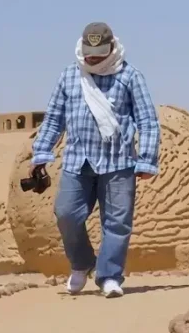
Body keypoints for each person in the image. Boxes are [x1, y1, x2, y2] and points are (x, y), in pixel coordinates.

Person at [29, 22, 161, 298]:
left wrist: (147, 159)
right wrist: (41, 153)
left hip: (119, 162)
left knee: (117, 222)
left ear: (112, 49)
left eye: (99, 54)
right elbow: (53, 119)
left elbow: (147, 121)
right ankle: (82, 264)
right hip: (78, 161)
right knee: (66, 214)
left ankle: (109, 276)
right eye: (89, 54)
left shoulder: (130, 76)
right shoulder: (70, 76)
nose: (92, 60)